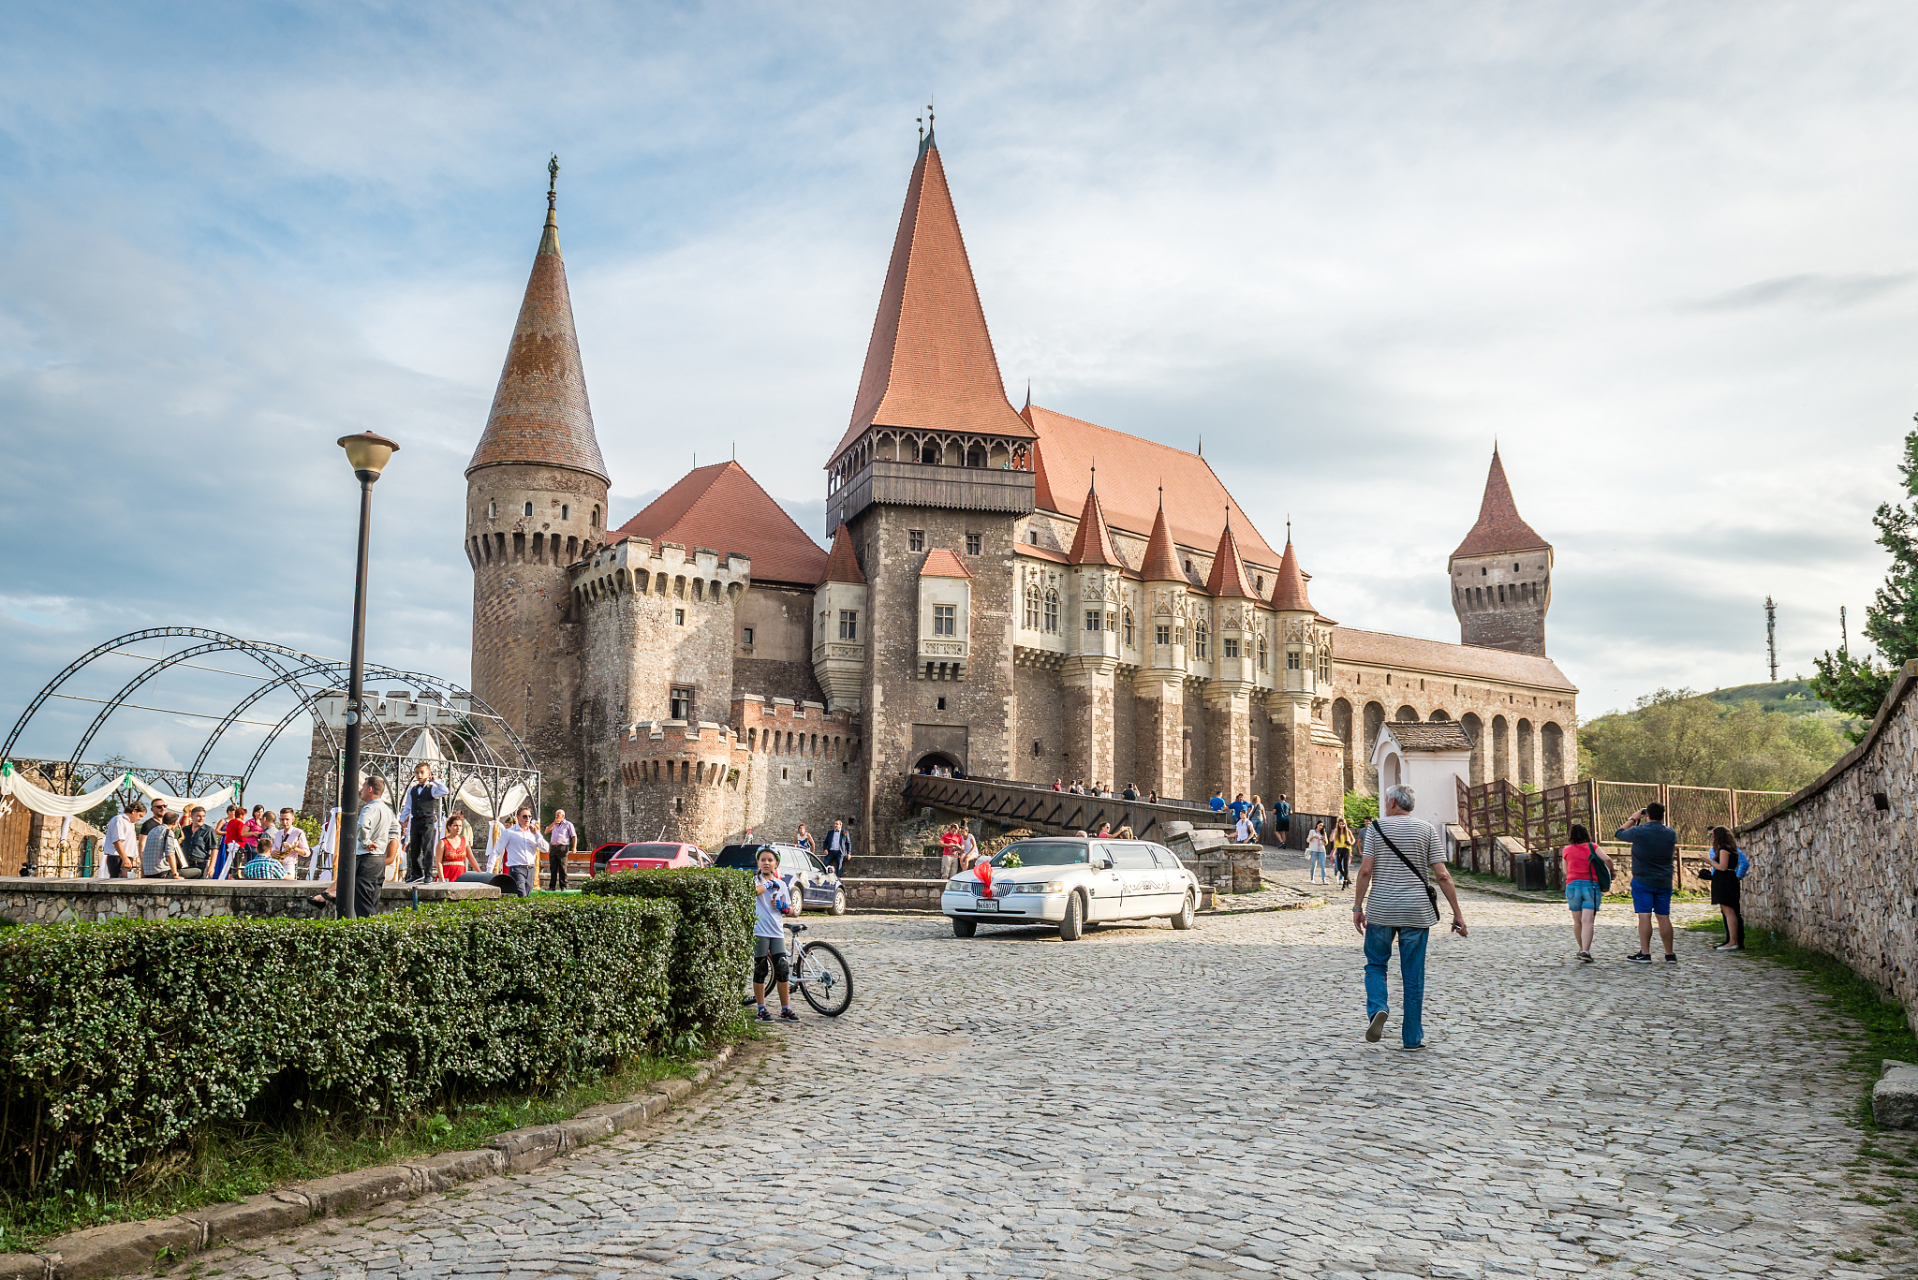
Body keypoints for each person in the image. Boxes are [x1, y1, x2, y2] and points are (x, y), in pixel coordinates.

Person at [1352, 784, 1468, 1050]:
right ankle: (1412, 1038)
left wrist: (1358, 907)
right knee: (1413, 975)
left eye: (1385, 799)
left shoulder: (1375, 829)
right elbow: (1442, 875)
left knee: (1376, 965)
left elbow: (1366, 871)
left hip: (1382, 909)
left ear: (1392, 801)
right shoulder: (1427, 829)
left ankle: (1378, 1008)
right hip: (1416, 911)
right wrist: (1457, 913)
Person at [1616, 802, 1679, 964]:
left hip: (1643, 879)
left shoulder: (1639, 831)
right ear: (1663, 816)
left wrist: (1633, 818)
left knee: (1645, 915)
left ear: (1647, 815)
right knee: (1664, 916)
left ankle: (1645, 953)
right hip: (1664, 880)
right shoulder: (1671, 833)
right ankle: (1669, 954)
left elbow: (1619, 833)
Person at [752, 847, 799, 1022]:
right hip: (760, 930)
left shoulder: (782, 884)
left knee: (782, 969)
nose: (766, 863)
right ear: (758, 862)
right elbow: (753, 893)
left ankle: (785, 1009)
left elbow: (791, 910)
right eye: (763, 860)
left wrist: (783, 907)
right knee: (761, 969)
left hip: (777, 931)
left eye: (770, 860)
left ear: (776, 863)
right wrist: (766, 885)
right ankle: (761, 1009)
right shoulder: (754, 881)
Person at [1562, 823, 1614, 963]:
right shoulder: (1593, 847)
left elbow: (1566, 871)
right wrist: (1611, 873)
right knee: (1588, 921)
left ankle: (1581, 949)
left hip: (1572, 886)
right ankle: (1586, 951)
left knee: (1577, 922)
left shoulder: (1567, 850)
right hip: (1590, 886)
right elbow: (1607, 859)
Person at [397, 762, 451, 884]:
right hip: (415, 820)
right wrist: (401, 820)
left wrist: (435, 781)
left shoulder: (432, 789)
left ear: (428, 774)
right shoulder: (412, 790)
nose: (419, 775)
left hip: (428, 820)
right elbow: (408, 806)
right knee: (414, 847)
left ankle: (428, 874)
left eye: (422, 772)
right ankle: (416, 874)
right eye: (417, 773)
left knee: (427, 848)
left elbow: (445, 791)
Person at [352, 777, 399, 916]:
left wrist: (366, 842)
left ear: (370, 789)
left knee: (363, 903)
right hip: (379, 860)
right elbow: (395, 830)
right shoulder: (387, 810)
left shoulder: (370, 808)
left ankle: (368, 933)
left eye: (363, 786)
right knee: (373, 901)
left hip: (366, 859)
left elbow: (362, 825)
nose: (361, 790)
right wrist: (384, 843)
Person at [496, 806, 549, 898]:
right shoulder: (509, 833)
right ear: (518, 817)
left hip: (530, 869)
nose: (527, 819)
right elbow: (496, 851)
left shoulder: (534, 833)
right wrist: (489, 869)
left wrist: (536, 834)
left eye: (529, 816)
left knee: (526, 895)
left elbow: (546, 848)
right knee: (522, 895)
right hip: (516, 868)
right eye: (525, 816)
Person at [1707, 825, 1743, 951]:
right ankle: (1732, 940)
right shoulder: (1730, 848)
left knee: (1729, 911)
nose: (1711, 837)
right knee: (1728, 910)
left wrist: (1709, 861)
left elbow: (1722, 866)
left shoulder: (1724, 849)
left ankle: (1733, 941)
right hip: (1728, 879)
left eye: (1713, 835)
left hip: (1725, 880)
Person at [141, 811, 185, 879]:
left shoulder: (152, 831)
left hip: (148, 873)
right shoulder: (168, 832)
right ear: (175, 822)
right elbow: (170, 854)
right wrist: (175, 874)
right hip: (161, 872)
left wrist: (142, 872)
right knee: (197, 872)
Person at [177, 805, 217, 879]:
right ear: (192, 817)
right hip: (186, 866)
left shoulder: (208, 830)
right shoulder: (185, 830)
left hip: (200, 866)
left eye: (203, 816)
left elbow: (214, 849)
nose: (201, 819)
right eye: (198, 816)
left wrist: (212, 866)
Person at [105, 802, 143, 879]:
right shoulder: (119, 820)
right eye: (140, 815)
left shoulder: (130, 823)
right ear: (134, 811)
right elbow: (117, 841)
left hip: (124, 857)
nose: (140, 819)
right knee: (119, 882)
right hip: (118, 858)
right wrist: (125, 858)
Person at [270, 808, 309, 879]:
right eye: (282, 820)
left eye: (287, 819)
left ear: (293, 819)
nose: (284, 822)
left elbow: (306, 853)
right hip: (277, 865)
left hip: (288, 867)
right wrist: (273, 853)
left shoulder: (298, 833)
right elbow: (273, 849)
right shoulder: (278, 833)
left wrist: (293, 847)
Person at [546, 809, 576, 890]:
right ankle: (552, 886)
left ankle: (563, 886)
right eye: (556, 815)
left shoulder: (568, 824)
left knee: (562, 867)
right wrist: (553, 823)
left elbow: (573, 836)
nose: (556, 817)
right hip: (553, 847)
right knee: (553, 867)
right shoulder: (554, 825)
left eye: (558, 816)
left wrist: (574, 847)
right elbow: (546, 831)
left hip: (563, 847)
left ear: (562, 816)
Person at [437, 812, 472, 880]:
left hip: (461, 874)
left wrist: (480, 872)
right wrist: (442, 879)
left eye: (460, 825)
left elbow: (471, 859)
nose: (458, 828)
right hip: (447, 874)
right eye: (455, 825)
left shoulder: (464, 842)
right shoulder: (442, 842)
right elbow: (438, 862)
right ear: (449, 827)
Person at [1331, 817, 1355, 889]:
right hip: (1339, 849)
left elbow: (1353, 839)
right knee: (1339, 866)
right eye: (1340, 824)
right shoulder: (1337, 832)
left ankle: (1345, 882)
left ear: (1345, 824)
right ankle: (1347, 878)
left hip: (1346, 849)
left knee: (1345, 866)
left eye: (1343, 824)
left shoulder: (1347, 831)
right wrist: (1333, 852)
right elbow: (1333, 841)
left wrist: (1350, 843)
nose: (1342, 825)